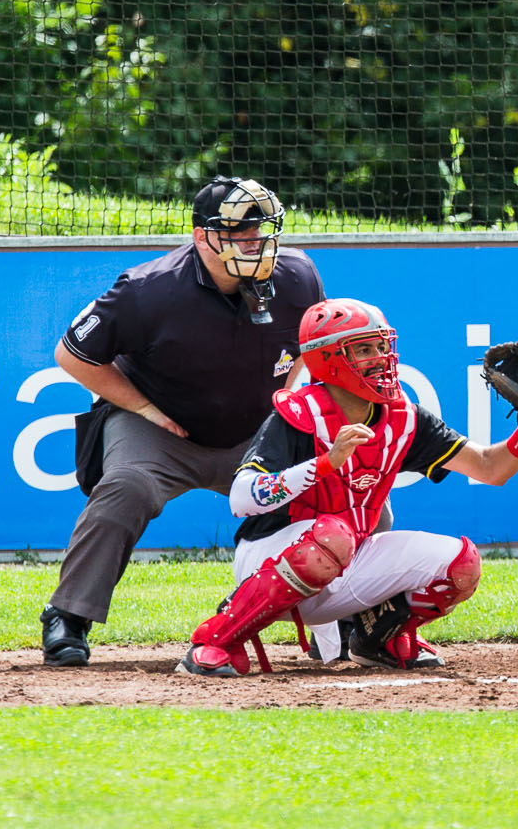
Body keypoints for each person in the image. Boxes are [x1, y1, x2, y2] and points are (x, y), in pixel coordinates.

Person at [177, 298, 518, 676]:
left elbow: (490, 468)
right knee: (332, 536)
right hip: (268, 558)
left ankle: (376, 638)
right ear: (328, 359)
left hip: (344, 557)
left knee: (461, 564)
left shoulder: (403, 417)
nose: (380, 358)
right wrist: (325, 463)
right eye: (364, 349)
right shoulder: (299, 413)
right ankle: (217, 638)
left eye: (382, 346)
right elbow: (242, 498)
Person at [40, 177, 322, 667]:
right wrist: (146, 410)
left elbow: (308, 345)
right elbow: (72, 354)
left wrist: (280, 403)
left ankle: (353, 618)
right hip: (158, 428)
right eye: (237, 231)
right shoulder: (147, 289)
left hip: (254, 434)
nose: (253, 240)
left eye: (259, 229)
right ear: (201, 237)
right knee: (127, 486)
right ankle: (68, 615)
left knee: (334, 484)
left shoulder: (297, 277)